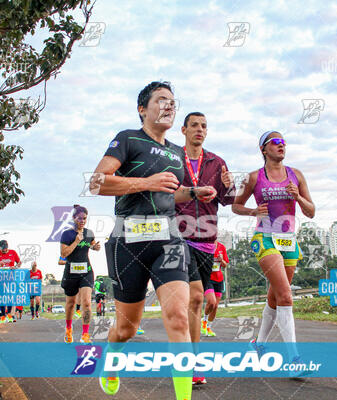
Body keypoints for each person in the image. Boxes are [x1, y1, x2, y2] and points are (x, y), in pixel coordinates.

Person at [92, 81, 216, 399]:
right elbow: (97, 182)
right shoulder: (128, 139)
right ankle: (111, 361)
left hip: (169, 241)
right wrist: (145, 182)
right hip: (127, 242)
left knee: (177, 315)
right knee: (126, 328)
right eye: (161, 100)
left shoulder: (177, 153)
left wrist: (192, 192)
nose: (169, 106)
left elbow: (170, 194)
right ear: (142, 109)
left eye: (173, 102)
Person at [232, 130, 315, 374]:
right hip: (265, 237)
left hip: (289, 240)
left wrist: (298, 196)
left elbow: (311, 211)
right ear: (263, 149)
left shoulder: (296, 175)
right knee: (286, 297)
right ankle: (294, 361)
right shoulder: (253, 177)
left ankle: (258, 344)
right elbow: (236, 205)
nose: (281, 146)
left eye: (283, 142)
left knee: (275, 297)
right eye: (275, 142)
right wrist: (253, 211)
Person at [175, 111, 235, 385]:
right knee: (197, 297)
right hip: (178, 236)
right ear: (184, 129)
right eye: (195, 125)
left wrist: (229, 186)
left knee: (197, 301)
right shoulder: (173, 158)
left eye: (204, 126)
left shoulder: (216, 161)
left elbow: (227, 200)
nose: (200, 129)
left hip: (207, 241)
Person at [60, 205, 101, 344]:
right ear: (73, 218)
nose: (82, 221)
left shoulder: (89, 233)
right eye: (79, 218)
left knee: (87, 303)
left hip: (86, 272)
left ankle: (85, 334)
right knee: (71, 303)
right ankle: (68, 329)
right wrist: (76, 241)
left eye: (84, 218)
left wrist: (95, 247)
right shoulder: (67, 234)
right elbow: (63, 254)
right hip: (71, 272)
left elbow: (92, 244)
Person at [0, 240, 21, 323]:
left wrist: (15, 267)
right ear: (0, 247)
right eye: (2, 249)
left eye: (5, 248)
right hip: (0, 278)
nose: (4, 250)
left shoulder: (13, 252)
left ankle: (9, 315)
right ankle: (3, 316)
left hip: (10, 277)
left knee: (10, 296)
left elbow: (19, 262)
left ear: (7, 247)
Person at [201, 240, 229, 337]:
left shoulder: (221, 247)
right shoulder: (204, 246)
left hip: (219, 279)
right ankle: (204, 321)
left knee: (215, 306)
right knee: (211, 302)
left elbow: (225, 265)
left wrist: (221, 260)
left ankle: (209, 327)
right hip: (208, 278)